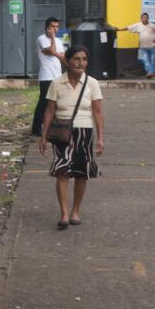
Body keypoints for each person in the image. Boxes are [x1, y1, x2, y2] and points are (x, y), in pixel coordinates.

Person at [39, 45, 104, 228]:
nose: (80, 63)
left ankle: (76, 211)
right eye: (76, 59)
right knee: (62, 172)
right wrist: (43, 136)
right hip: (62, 133)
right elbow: (49, 111)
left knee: (81, 174)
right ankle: (64, 214)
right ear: (67, 61)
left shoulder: (92, 83)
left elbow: (98, 112)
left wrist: (100, 138)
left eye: (84, 59)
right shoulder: (56, 83)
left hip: (85, 131)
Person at [33, 17, 64, 136]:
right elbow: (52, 50)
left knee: (56, 102)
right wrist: (51, 39)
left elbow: (62, 56)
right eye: (52, 27)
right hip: (46, 76)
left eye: (57, 27)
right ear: (47, 28)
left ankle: (52, 126)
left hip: (57, 75)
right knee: (44, 102)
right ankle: (36, 128)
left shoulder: (58, 40)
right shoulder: (41, 39)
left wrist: (54, 51)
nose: (55, 29)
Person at [126, 12, 155, 79]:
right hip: (143, 47)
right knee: (146, 60)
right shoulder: (138, 25)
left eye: (147, 17)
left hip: (152, 46)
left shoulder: (152, 25)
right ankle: (149, 72)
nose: (145, 19)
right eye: (144, 17)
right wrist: (118, 29)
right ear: (141, 18)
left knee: (152, 60)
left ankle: (151, 72)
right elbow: (128, 28)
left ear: (148, 18)